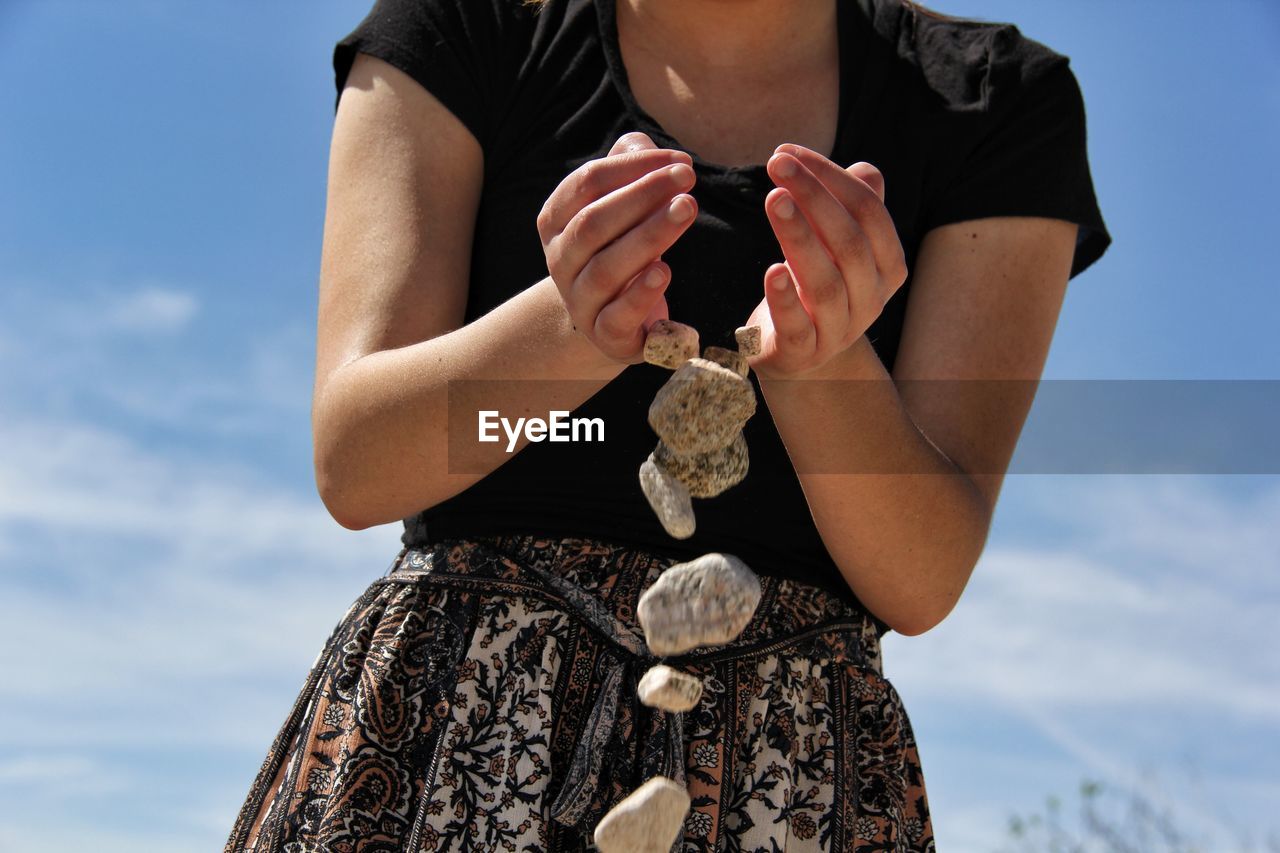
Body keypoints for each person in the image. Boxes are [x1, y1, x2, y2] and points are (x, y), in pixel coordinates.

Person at [224, 0, 1110, 849]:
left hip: (788, 779)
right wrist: (576, 333)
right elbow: (359, 459)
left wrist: (823, 364)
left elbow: (922, 575)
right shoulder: (466, 22)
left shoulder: (995, 100)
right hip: (453, 737)